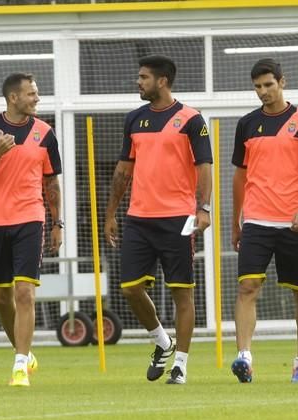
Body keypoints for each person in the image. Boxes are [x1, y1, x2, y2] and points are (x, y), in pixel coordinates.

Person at [104, 55, 212, 385]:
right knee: (130, 288)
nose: (138, 82)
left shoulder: (192, 119)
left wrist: (203, 208)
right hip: (138, 218)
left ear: (162, 81)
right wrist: (110, 213)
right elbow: (124, 170)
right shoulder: (134, 119)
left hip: (178, 217)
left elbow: (204, 167)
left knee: (182, 292)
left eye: (144, 77)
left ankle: (180, 365)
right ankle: (162, 342)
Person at [230, 58, 298, 384]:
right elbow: (240, 176)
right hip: (256, 222)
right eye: (257, 87)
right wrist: (235, 221)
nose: (263, 92)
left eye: (268, 85)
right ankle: (244, 357)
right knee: (247, 287)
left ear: (282, 82)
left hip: (295, 223)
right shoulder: (246, 124)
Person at [0, 72, 63, 387]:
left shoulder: (46, 133)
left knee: (25, 292)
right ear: (13, 98)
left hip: (30, 218)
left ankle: (20, 367)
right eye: (31, 94)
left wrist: (57, 222)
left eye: (36, 93)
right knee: (0, 297)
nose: (37, 98)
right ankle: (22, 351)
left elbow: (51, 182)